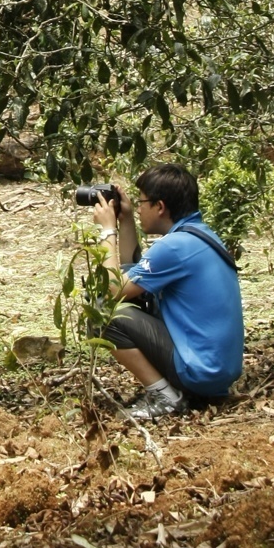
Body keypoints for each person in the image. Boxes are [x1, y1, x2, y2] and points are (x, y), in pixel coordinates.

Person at [91, 161, 243, 422]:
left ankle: (165, 397)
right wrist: (126, 221)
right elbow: (130, 274)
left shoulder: (174, 247)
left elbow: (114, 287)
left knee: (100, 309)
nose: (138, 209)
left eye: (141, 203)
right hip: (216, 371)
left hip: (199, 372)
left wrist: (108, 230)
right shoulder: (197, 236)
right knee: (129, 301)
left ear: (159, 207)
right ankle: (172, 391)